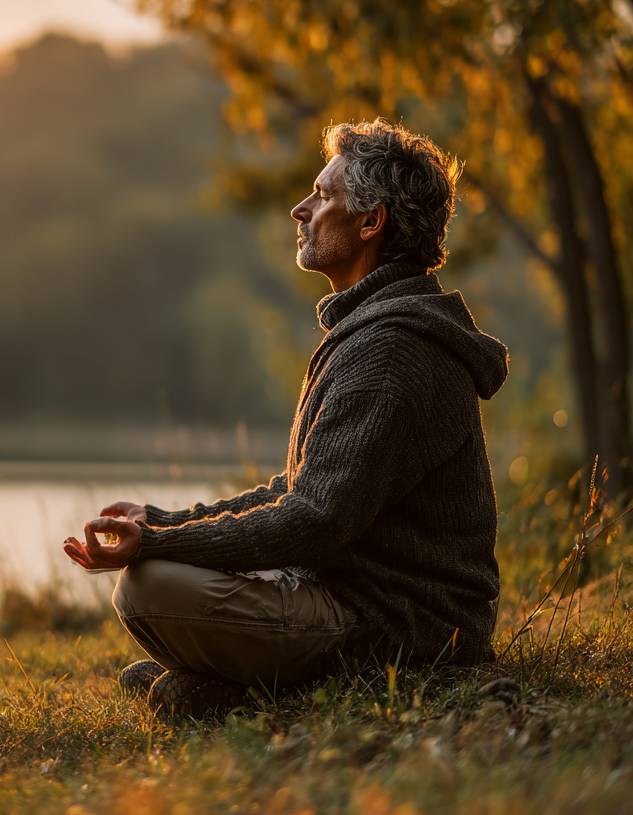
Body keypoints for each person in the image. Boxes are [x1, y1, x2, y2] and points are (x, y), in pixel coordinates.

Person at [64, 118, 508, 718]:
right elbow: (300, 491)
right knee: (166, 569)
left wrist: (157, 544)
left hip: (408, 630)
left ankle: (256, 692)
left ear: (370, 222)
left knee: (149, 586)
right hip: (363, 596)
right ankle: (228, 685)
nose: (301, 210)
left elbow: (313, 518)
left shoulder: (391, 351)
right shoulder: (377, 330)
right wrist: (163, 521)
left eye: (323, 196)